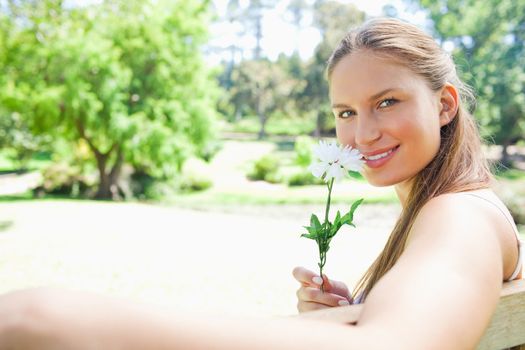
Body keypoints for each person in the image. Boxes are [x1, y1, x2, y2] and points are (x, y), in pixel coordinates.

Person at [0, 17, 522, 350]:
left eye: (387, 101)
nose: (361, 133)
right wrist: (353, 314)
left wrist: (56, 319)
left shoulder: (458, 217)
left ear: (445, 104)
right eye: (345, 111)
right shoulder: (446, 210)